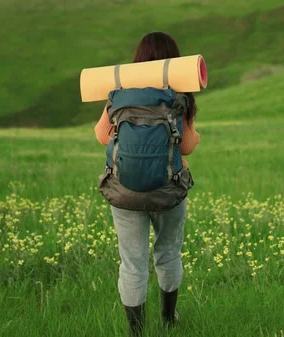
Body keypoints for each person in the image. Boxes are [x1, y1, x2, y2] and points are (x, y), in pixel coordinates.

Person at [93, 31, 201, 336]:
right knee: (168, 252)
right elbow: (188, 146)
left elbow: (102, 136)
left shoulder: (121, 91)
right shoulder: (180, 93)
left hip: (124, 191)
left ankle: (136, 331)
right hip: (168, 190)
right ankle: (169, 319)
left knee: (132, 262)